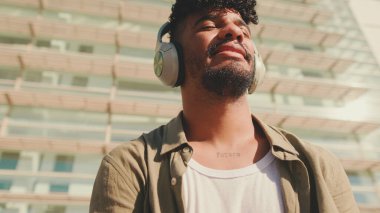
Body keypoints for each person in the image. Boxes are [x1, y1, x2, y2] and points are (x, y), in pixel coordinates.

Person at [90, 0, 359, 212]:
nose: (234, 32)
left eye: (243, 29)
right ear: (170, 58)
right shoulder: (129, 167)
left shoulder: (319, 166)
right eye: (209, 25)